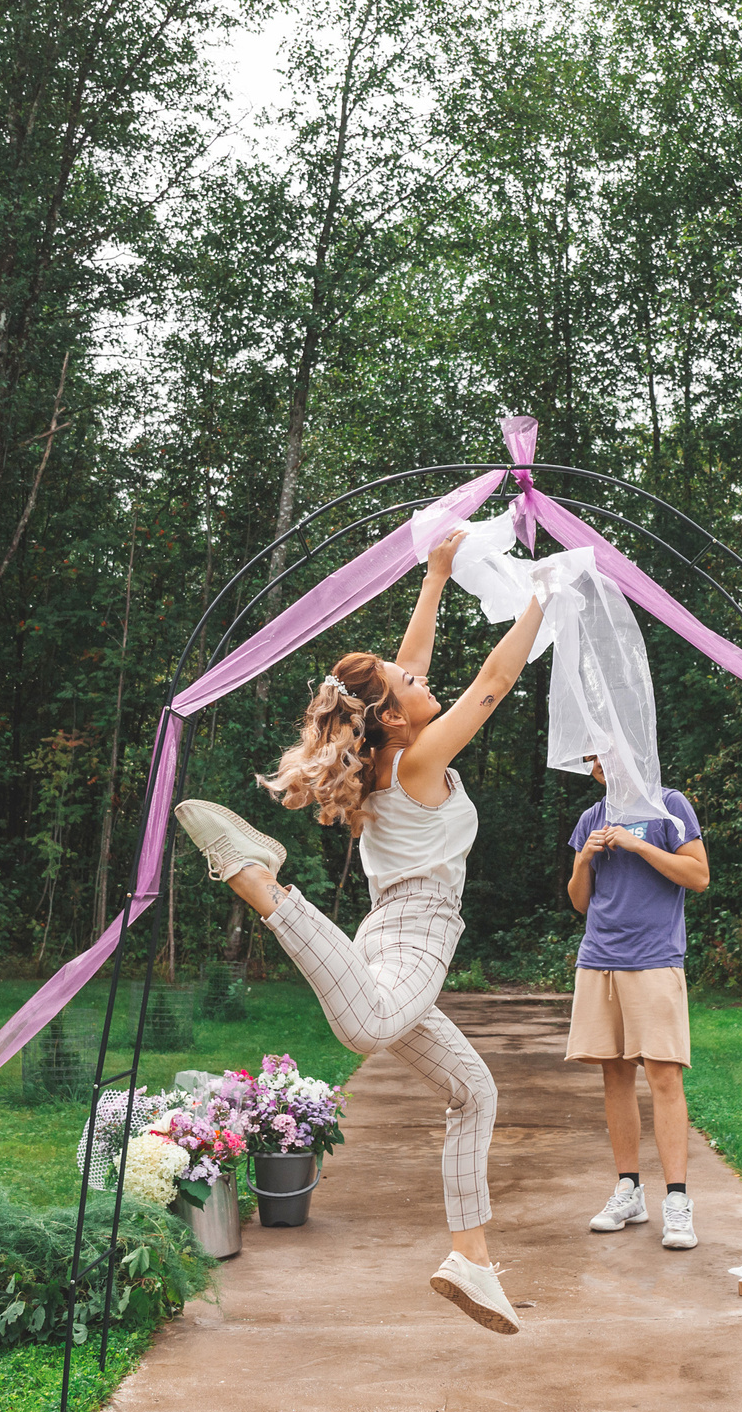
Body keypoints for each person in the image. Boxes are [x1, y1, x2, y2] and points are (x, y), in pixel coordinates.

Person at [171, 528, 538, 1335]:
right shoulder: (419, 757)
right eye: (410, 682)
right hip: (413, 935)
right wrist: (544, 597)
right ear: (396, 718)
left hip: (384, 938)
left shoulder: (391, 751)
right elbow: (496, 677)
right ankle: (265, 885)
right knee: (368, 1026)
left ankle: (472, 1260)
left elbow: (406, 672)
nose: (421, 675)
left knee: (473, 1087)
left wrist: (437, 577)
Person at [565, 753, 708, 1249]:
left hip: (655, 960)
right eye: (589, 759)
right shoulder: (590, 818)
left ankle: (676, 1200)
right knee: (614, 1073)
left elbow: (698, 876)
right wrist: (584, 858)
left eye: (602, 753)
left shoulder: (669, 806)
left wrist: (636, 844)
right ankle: (629, 1189)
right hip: (599, 959)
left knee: (664, 1075)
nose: (595, 764)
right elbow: (580, 901)